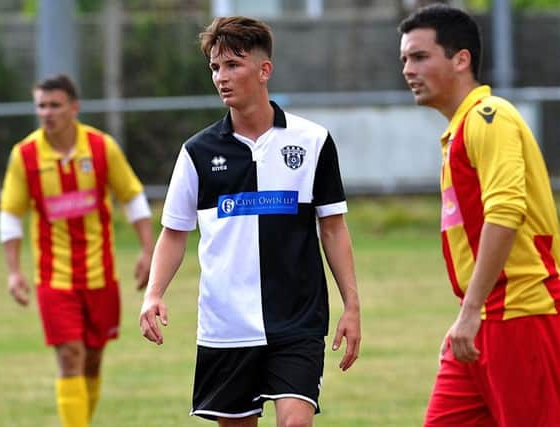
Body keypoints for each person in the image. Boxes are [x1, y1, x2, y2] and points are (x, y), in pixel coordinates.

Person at [139, 16, 361, 427]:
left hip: (297, 318)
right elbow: (174, 233)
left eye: (233, 65)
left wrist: (352, 305)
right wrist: (153, 293)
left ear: (264, 70)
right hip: (228, 324)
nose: (221, 77)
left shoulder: (312, 142)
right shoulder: (197, 152)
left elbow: (333, 227)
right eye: (215, 67)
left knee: (296, 422)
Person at [399, 4, 560, 426]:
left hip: (522, 313)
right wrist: (468, 316)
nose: (407, 70)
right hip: (484, 318)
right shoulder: (458, 132)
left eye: (419, 57)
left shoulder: (490, 117)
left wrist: (471, 311)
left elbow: (506, 212)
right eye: (404, 60)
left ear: (461, 59)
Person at [0, 74, 154, 427]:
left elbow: (132, 198)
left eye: (54, 105)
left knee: (92, 360)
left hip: (101, 275)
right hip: (54, 279)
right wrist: (13, 271)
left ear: (73, 107)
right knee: (70, 356)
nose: (47, 112)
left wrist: (148, 251)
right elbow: (10, 215)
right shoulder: (24, 155)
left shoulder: (101, 148)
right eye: (41, 105)